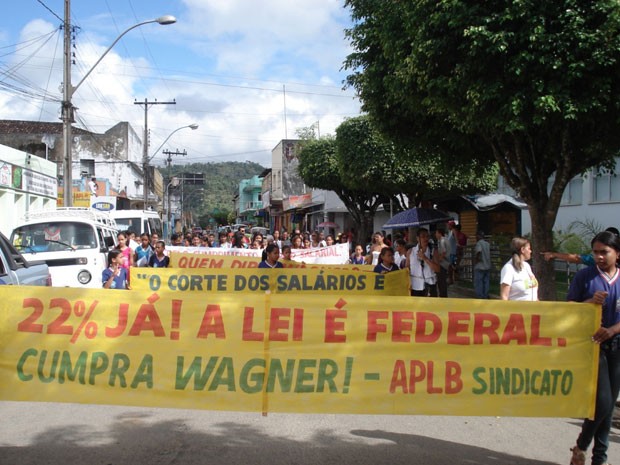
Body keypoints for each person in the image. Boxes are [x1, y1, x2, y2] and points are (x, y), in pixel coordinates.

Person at [567, 231, 620, 465]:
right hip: (591, 346)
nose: (598, 257)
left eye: (604, 252)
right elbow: (568, 308)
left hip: (616, 345)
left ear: (617, 253)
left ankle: (599, 458)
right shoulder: (585, 278)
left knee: (608, 406)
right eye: (595, 252)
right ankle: (582, 445)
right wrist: (589, 303)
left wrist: (613, 330)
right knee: (605, 402)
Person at [542, 227, 620, 267]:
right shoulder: (585, 276)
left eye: (605, 252)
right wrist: (554, 254)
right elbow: (577, 258)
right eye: (596, 252)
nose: (600, 257)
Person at [499, 237, 538, 301]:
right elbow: (504, 296)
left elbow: (533, 292)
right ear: (522, 250)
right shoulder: (508, 268)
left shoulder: (527, 266)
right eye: (529, 249)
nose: (531, 251)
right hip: (517, 310)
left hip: (533, 310)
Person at [407, 228, 440, 297]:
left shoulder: (433, 251)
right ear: (417, 238)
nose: (426, 238)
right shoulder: (410, 252)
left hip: (429, 284)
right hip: (415, 285)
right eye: (423, 236)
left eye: (427, 236)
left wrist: (425, 258)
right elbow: (407, 269)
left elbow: (437, 269)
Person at [473, 230, 492, 299]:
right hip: (487, 265)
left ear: (478, 236)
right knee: (486, 281)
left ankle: (480, 296)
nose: (475, 237)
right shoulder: (487, 244)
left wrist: (476, 259)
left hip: (480, 266)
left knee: (479, 282)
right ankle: (486, 294)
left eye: (476, 236)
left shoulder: (479, 243)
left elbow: (479, 251)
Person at [434, 228, 450, 297]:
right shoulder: (444, 239)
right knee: (442, 281)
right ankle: (443, 295)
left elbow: (443, 252)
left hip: (442, 264)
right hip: (445, 263)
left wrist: (438, 260)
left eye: (436, 233)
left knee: (441, 282)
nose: (435, 235)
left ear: (439, 233)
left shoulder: (442, 240)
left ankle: (443, 296)